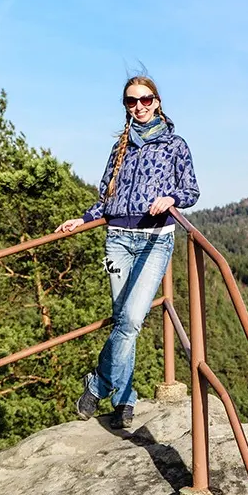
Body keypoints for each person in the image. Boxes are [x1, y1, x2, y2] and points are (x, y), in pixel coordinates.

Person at [55, 76, 200, 428]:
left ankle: (99, 383)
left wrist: (173, 199)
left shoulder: (174, 145)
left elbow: (191, 189)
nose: (139, 107)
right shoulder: (120, 147)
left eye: (145, 100)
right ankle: (123, 397)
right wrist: (83, 218)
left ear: (158, 101)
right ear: (126, 107)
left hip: (155, 241)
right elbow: (107, 197)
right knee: (125, 323)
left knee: (131, 320)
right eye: (131, 102)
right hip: (117, 240)